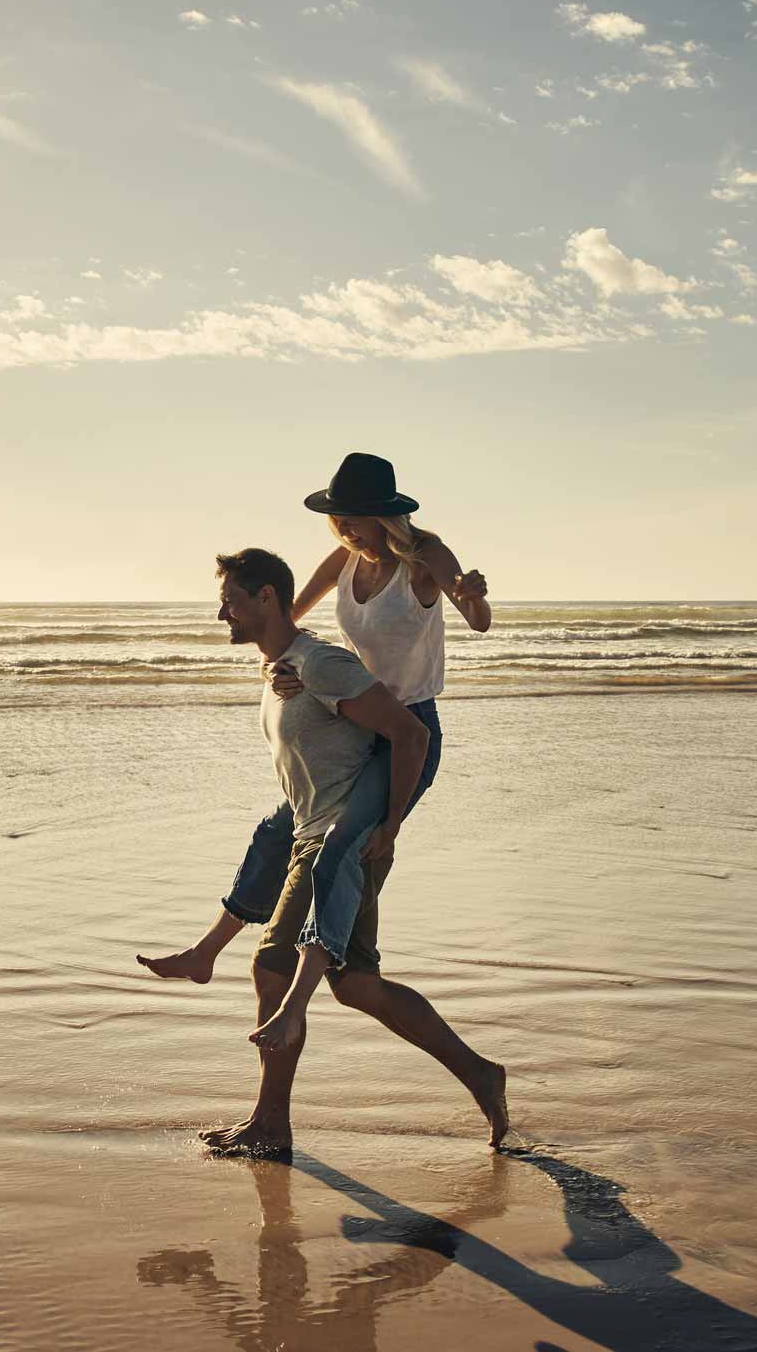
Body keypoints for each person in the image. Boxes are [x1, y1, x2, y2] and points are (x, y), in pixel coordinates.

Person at [138, 454, 490, 1034]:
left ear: (384, 515)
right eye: (338, 519)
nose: (343, 529)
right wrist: (287, 670)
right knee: (277, 831)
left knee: (346, 844)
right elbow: (284, 624)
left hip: (406, 731)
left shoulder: (426, 556)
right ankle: (205, 953)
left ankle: (295, 1003)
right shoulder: (346, 559)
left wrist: (473, 597)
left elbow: (475, 618)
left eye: (351, 518)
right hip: (351, 718)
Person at [188, 547, 507, 1157]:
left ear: (263, 599)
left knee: (274, 968)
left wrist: (384, 827)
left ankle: (270, 1124)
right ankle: (480, 1074)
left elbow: (409, 733)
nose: (220, 612)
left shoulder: (319, 664)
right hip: (319, 830)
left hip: (343, 838)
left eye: (229, 600)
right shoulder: (290, 665)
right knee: (358, 985)